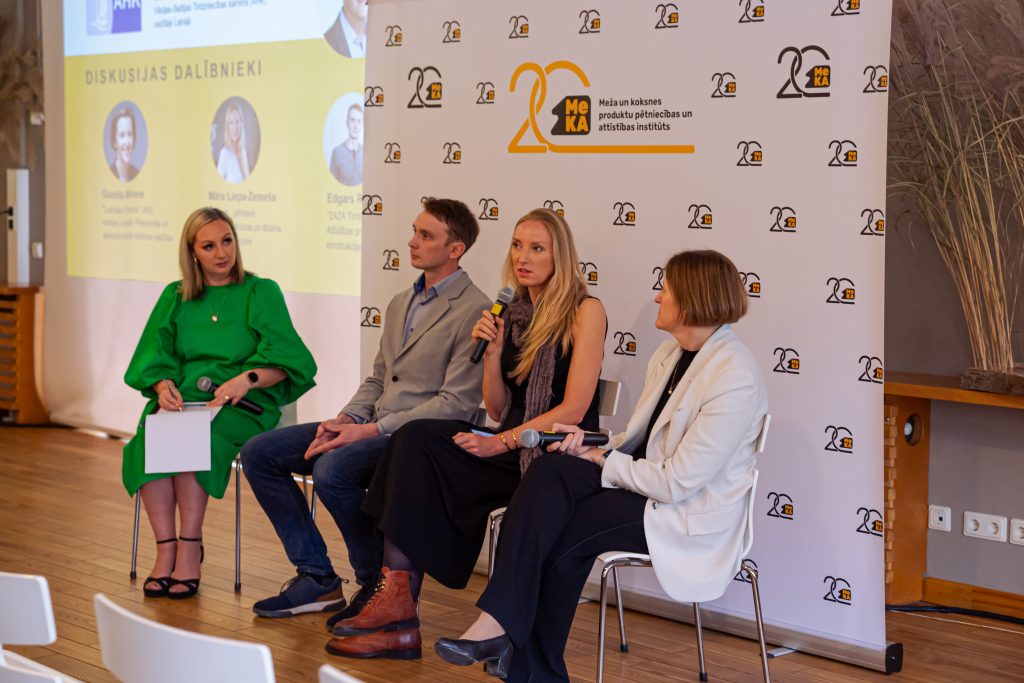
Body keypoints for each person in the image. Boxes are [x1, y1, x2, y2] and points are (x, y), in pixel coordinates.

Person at [433, 249, 769, 682]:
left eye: (665, 289)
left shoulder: (734, 376)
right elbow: (641, 440)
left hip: (685, 511)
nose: (657, 297)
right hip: (643, 486)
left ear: (691, 298)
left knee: (569, 528)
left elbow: (678, 482)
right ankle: (502, 631)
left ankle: (517, 651)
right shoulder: (670, 354)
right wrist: (590, 443)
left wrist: (605, 460)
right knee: (550, 469)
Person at [324, 208, 606, 661]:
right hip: (510, 444)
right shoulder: (511, 312)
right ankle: (398, 605)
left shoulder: (586, 311)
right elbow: (496, 408)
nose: (523, 257)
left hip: (555, 453)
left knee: (427, 447)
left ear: (561, 256)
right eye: (517, 245)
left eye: (537, 248)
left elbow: (573, 408)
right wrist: (492, 355)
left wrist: (499, 442)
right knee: (416, 439)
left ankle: (396, 613)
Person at [240, 198, 490, 622]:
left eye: (425, 235)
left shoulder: (475, 310)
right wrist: (346, 419)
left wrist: (371, 431)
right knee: (259, 453)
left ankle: (378, 585)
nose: (412, 242)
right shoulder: (400, 302)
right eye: (414, 231)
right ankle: (317, 577)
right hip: (374, 427)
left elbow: (455, 404)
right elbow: (378, 379)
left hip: (423, 440)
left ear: (455, 249)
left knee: (332, 471)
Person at [123, 207, 316, 600]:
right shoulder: (175, 296)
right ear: (193, 253)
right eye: (209, 246)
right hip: (184, 400)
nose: (222, 252)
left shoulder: (260, 291)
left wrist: (246, 379)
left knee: (198, 441)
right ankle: (165, 549)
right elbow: (154, 353)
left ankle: (190, 546)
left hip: (243, 404)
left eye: (227, 241)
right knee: (148, 442)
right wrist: (162, 386)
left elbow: (289, 359)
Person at [216, 102, 251, 183]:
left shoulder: (243, 153)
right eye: (231, 123)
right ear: (227, 126)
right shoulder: (224, 153)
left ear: (241, 123)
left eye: (237, 121)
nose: (234, 127)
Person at [330, 103, 363, 186]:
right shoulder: (337, 152)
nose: (355, 126)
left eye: (359, 121)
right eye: (352, 120)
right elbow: (331, 185)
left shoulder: (367, 153)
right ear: (347, 123)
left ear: (362, 125)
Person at [109, 106, 139, 182]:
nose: (126, 142)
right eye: (122, 135)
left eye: (129, 134)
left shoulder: (137, 174)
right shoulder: (107, 175)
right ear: (114, 141)